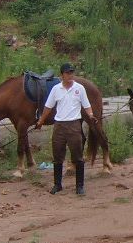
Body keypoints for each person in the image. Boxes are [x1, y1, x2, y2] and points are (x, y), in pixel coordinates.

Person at [35, 63, 98, 195]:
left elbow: (86, 105)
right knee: (57, 156)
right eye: (67, 73)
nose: (70, 75)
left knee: (77, 156)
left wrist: (91, 115)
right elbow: (48, 107)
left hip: (74, 125)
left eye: (71, 73)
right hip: (59, 126)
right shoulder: (56, 89)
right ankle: (57, 184)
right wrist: (41, 121)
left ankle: (79, 186)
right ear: (62, 75)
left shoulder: (79, 88)